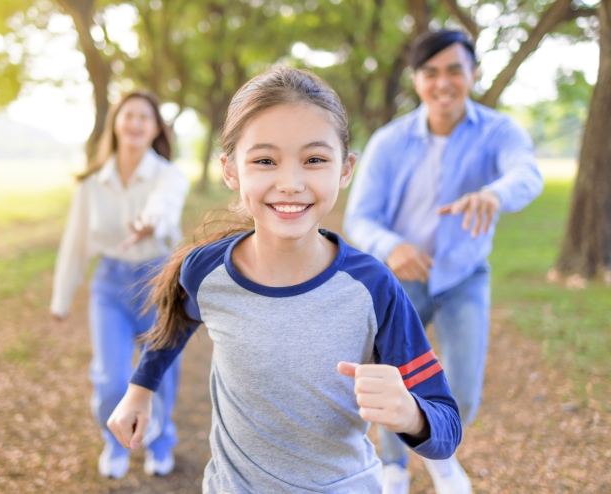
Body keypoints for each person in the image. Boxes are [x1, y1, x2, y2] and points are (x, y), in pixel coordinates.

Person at [107, 67, 462, 493]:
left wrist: (411, 414)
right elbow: (175, 321)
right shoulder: (206, 272)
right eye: (264, 161)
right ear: (230, 170)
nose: (290, 183)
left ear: (346, 169)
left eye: (314, 159)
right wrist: (140, 389)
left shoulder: (373, 287)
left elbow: (446, 428)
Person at [343, 30, 544, 494]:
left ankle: (440, 453)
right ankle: (393, 463)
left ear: (474, 74)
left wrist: (494, 194)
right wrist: (391, 245)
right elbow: (360, 216)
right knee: (392, 380)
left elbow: (526, 173)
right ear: (416, 81)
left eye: (455, 70)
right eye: (430, 73)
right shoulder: (390, 142)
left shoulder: (498, 130)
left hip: (463, 277)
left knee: (464, 391)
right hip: (398, 280)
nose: (443, 83)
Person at [50, 90, 190, 479]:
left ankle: (161, 441)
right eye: (129, 115)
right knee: (111, 380)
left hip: (156, 283)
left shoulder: (169, 174)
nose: (136, 123)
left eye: (145, 117)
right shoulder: (92, 184)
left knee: (159, 375)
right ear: (115, 123)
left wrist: (151, 222)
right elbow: (75, 243)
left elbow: (165, 205)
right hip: (109, 287)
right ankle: (116, 442)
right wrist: (61, 298)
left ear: (155, 128)